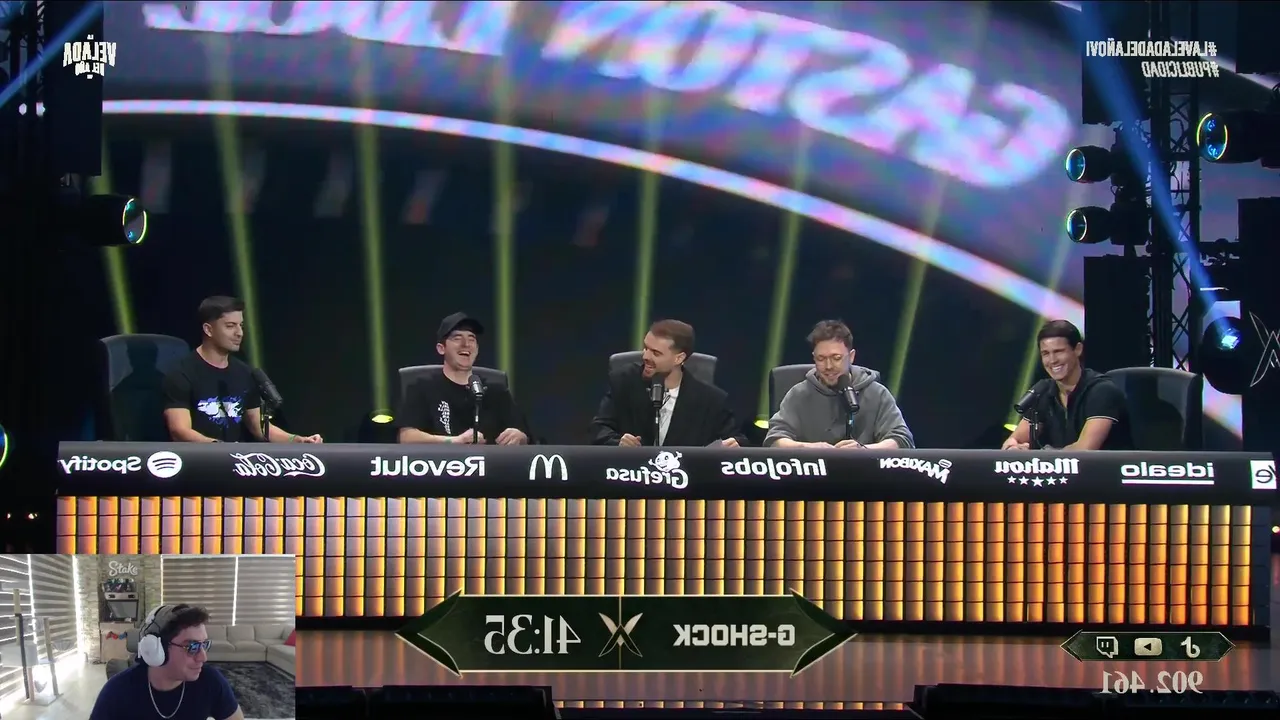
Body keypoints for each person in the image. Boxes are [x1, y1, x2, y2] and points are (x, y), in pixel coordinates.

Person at [162, 296, 321, 443]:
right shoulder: (181, 372)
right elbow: (179, 431)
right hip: (199, 460)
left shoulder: (245, 373)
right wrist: (218, 449)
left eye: (241, 326)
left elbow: (261, 428)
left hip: (236, 459)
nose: (239, 333)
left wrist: (298, 440)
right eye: (230, 326)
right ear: (208, 330)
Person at [590, 319, 744, 447]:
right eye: (646, 348)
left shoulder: (711, 400)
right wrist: (618, 442)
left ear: (679, 358)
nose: (645, 356)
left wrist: (734, 445)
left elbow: (736, 439)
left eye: (656, 353)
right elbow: (598, 428)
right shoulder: (624, 381)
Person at [764, 320, 914, 449]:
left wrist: (864, 451)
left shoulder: (877, 393)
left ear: (851, 356)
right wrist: (809, 449)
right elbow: (774, 440)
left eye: (836, 358)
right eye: (821, 359)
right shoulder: (799, 394)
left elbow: (901, 440)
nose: (828, 366)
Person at [89, 604, 244, 720]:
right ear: (157, 649)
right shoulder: (117, 691)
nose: (203, 657)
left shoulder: (211, 681)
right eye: (192, 647)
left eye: (204, 645)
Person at [398, 312, 531, 445]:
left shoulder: (497, 391)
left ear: (477, 349)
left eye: (471, 339)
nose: (466, 344)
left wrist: (520, 436)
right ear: (441, 348)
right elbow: (406, 436)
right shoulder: (422, 387)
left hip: (489, 459)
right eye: (457, 338)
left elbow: (525, 437)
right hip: (441, 458)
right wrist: (454, 441)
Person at [1002, 320, 1134, 451]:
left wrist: (1042, 455)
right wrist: (1014, 449)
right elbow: (1014, 441)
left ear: (1077, 349)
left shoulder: (1102, 391)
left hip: (1106, 466)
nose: (1052, 360)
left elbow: (1084, 450)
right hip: (1056, 464)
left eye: (1059, 351)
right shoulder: (1043, 391)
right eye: (1046, 353)